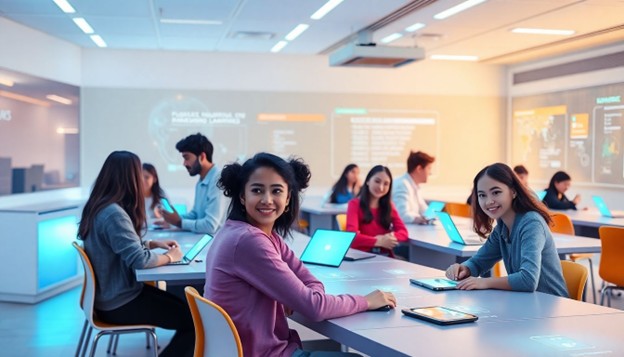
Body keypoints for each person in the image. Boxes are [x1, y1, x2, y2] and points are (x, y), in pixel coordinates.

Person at [204, 153, 396, 357]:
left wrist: (300, 297)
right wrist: (367, 301)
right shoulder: (248, 240)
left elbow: (309, 283)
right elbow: (315, 308)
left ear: (288, 199)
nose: (267, 200)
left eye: (276, 190)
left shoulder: (260, 235)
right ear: (242, 197)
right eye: (257, 190)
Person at [78, 151, 194, 357]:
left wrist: (150, 243)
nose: (142, 180)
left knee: (189, 313)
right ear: (129, 177)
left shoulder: (99, 206)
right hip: (120, 302)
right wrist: (171, 257)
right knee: (195, 323)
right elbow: (140, 261)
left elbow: (115, 245)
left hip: (111, 297)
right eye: (138, 174)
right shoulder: (114, 213)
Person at [445, 163, 568, 297]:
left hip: (551, 306)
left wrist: (485, 282)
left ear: (513, 191)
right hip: (525, 303)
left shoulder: (532, 223)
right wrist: (464, 268)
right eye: (482, 195)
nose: (488, 201)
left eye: (496, 192)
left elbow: (528, 280)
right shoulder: (502, 227)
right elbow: (479, 262)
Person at [160, 133, 228, 234]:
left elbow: (210, 226)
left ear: (202, 157)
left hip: (218, 243)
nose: (184, 163)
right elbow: (196, 215)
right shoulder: (201, 181)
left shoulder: (218, 179)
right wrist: (172, 220)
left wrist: (179, 222)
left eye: (186, 158)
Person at [346, 165, 409, 259]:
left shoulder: (389, 206)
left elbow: (404, 232)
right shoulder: (354, 204)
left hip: (386, 257)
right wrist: (378, 241)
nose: (381, 187)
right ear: (367, 181)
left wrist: (389, 236)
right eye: (377, 181)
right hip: (362, 257)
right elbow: (351, 236)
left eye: (386, 184)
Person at [392, 151, 435, 224]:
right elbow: (402, 215)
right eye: (429, 168)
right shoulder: (402, 185)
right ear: (419, 169)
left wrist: (432, 216)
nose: (430, 173)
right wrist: (419, 218)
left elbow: (424, 210)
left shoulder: (414, 186)